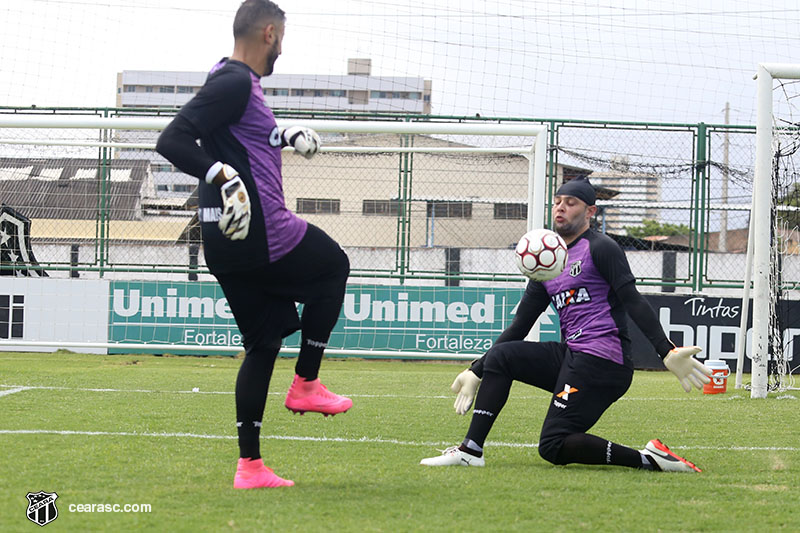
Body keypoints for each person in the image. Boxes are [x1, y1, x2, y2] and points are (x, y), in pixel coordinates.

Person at [156, 0, 352, 489]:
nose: (282, 49)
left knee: (262, 345)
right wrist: (220, 173)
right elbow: (173, 139)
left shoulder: (230, 79)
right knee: (333, 266)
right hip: (260, 231)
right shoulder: (236, 81)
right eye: (282, 39)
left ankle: (251, 467)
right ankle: (307, 382)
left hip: (226, 241)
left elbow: (236, 134)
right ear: (269, 33)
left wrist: (281, 133)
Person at [420, 177, 713, 472]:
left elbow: (633, 300)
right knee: (502, 355)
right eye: (558, 201)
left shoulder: (601, 248)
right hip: (573, 354)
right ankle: (471, 450)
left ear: (590, 212)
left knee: (553, 446)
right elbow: (520, 325)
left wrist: (666, 351)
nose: (561, 208)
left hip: (604, 362)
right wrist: (476, 369)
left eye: (570, 203)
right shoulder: (546, 261)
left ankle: (650, 460)